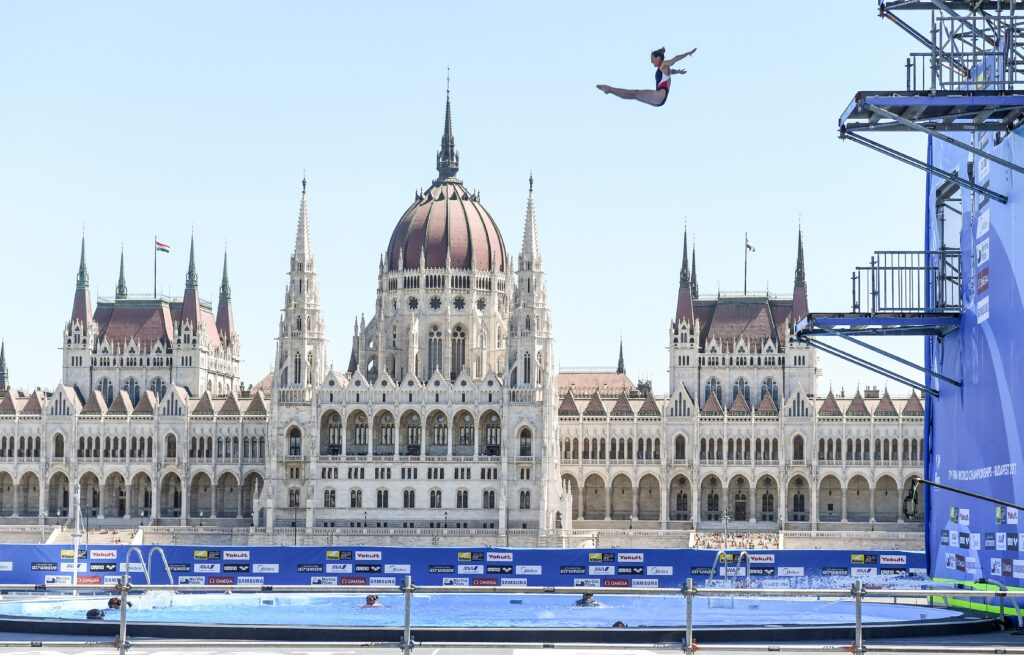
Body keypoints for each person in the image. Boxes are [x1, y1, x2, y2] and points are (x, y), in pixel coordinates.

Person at [597, 47, 697, 107]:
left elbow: (674, 59)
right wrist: (678, 71)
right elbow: (671, 71)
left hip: (659, 96)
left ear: (658, 58)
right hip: (659, 100)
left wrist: (687, 53)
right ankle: (610, 90)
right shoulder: (663, 69)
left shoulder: (664, 64)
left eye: (652, 59)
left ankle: (609, 89)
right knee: (633, 95)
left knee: (634, 93)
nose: (651, 61)